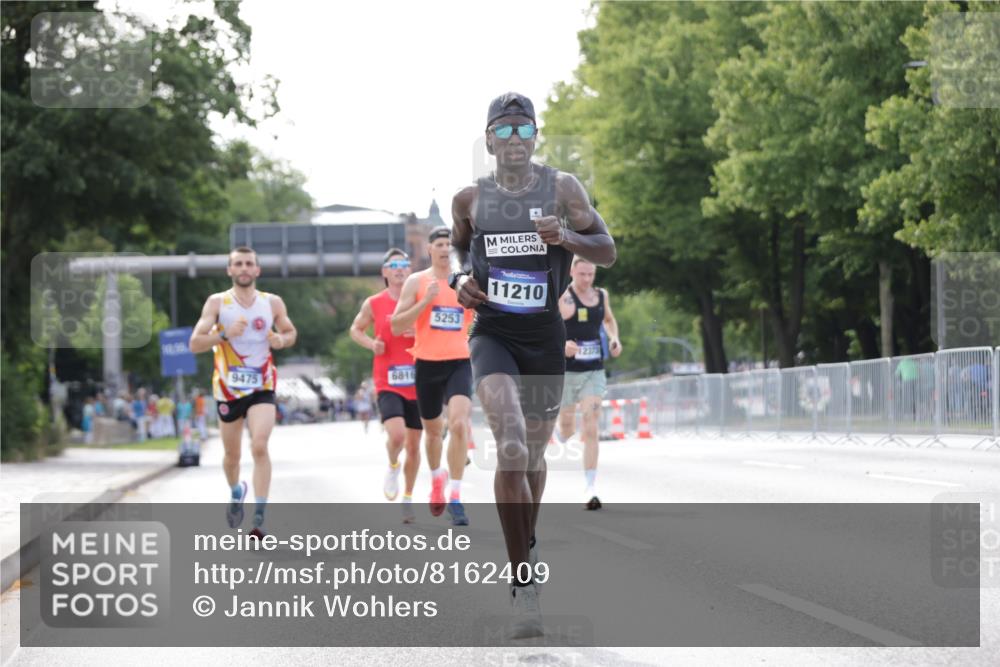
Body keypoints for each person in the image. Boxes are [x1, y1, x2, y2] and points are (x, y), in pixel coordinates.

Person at [450, 92, 616, 638]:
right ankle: (523, 581)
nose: (516, 141)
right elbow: (458, 250)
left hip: (545, 335)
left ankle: (526, 542)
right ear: (490, 139)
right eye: (506, 131)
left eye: (526, 131)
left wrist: (566, 237)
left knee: (535, 458)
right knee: (513, 444)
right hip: (493, 333)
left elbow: (607, 249)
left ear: (535, 137)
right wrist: (459, 283)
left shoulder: (562, 186)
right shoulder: (470, 199)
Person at [189, 246, 297, 539]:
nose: (244, 268)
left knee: (260, 445)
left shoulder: (272, 302)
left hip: (262, 384)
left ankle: (259, 517)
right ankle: (236, 491)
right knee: (231, 456)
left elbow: (290, 332)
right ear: (230, 270)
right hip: (228, 388)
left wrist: (280, 341)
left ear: (257, 270)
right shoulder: (217, 302)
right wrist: (223, 334)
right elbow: (195, 343)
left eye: (249, 263)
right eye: (238, 264)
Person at [391, 226, 476, 526]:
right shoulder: (417, 281)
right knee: (433, 433)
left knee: (458, 423)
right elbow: (396, 325)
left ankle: (455, 495)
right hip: (427, 364)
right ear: (429, 249)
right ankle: (437, 477)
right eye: (439, 243)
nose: (445, 248)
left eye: (450, 244)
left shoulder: (465, 281)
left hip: (459, 362)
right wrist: (425, 301)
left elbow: (480, 318)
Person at [349, 248, 423, 524]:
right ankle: (393, 465)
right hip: (388, 380)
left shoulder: (419, 298)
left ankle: (407, 498)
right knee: (397, 437)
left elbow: (439, 327)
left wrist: (420, 331)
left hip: (419, 379)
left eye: (404, 264)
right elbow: (356, 329)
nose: (400, 269)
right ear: (385, 272)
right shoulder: (375, 303)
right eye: (394, 265)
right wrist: (372, 344)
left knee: (415, 447)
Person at [554, 257, 622, 510]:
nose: (586, 279)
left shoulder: (601, 295)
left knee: (591, 426)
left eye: (591, 274)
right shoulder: (564, 298)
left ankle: (590, 487)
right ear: (572, 271)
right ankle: (560, 433)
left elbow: (609, 320)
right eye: (582, 274)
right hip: (568, 372)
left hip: (594, 370)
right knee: (568, 428)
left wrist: (615, 339)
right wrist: (563, 346)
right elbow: (549, 328)